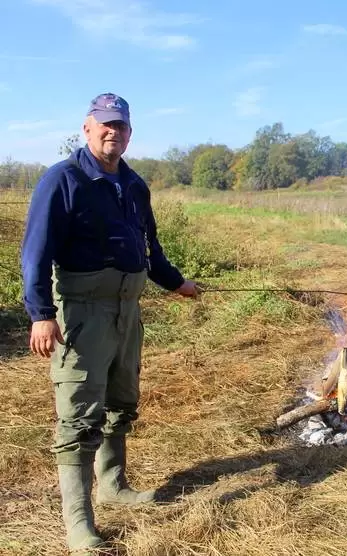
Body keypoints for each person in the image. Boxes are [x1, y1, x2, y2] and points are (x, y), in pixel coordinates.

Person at [21, 93, 199, 553]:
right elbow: (35, 252)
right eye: (105, 124)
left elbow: (149, 249)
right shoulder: (63, 180)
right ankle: (79, 524)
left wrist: (177, 282)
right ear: (87, 128)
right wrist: (41, 314)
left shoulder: (134, 184)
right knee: (79, 416)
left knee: (122, 402)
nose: (112, 132)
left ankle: (113, 485)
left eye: (120, 125)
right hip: (83, 315)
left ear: (130, 133)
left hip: (127, 313)